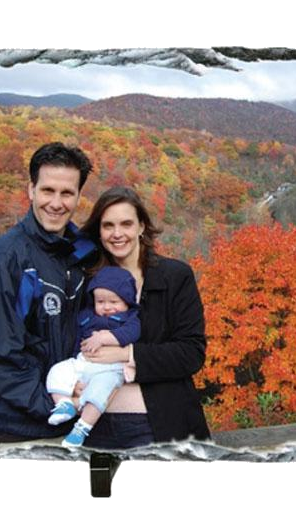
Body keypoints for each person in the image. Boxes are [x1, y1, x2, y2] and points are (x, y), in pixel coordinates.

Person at [0, 142, 96, 442]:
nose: (56, 203)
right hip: (13, 426)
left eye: (67, 193)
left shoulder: (79, 257)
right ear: (31, 190)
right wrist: (57, 404)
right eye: (47, 190)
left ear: (79, 197)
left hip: (64, 417)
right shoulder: (2, 261)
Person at [77, 186, 211, 449]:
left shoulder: (175, 277)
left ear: (141, 226)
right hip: (92, 429)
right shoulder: (88, 282)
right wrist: (72, 383)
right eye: (108, 225)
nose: (117, 234)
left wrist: (126, 354)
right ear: (99, 232)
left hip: (157, 424)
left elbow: (191, 353)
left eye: (126, 224)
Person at [45, 266, 141, 447]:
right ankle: (64, 404)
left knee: (100, 392)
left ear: (127, 301)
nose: (107, 307)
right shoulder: (86, 316)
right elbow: (77, 341)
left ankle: (82, 428)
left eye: (114, 301)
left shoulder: (130, 318)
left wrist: (103, 338)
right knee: (58, 371)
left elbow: (131, 334)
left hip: (109, 369)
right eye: (100, 301)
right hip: (84, 361)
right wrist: (75, 366)